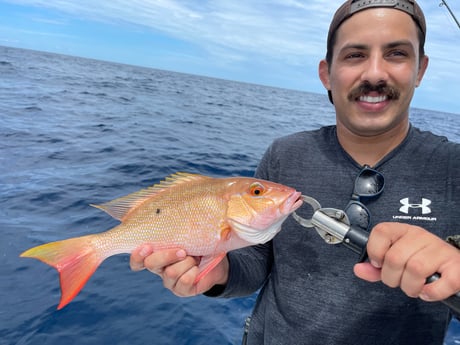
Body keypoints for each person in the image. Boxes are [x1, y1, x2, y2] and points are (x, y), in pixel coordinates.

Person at [130, 1, 460, 344]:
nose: (375, 73)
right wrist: (218, 272)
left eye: (396, 54)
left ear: (420, 69)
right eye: (354, 55)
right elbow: (257, 262)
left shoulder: (454, 168)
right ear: (325, 73)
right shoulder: (285, 154)